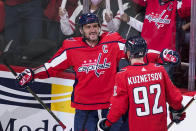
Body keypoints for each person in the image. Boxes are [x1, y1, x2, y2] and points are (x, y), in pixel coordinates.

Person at [16, 13, 180, 131]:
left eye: (95, 26)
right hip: (85, 108)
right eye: (88, 27)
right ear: (81, 30)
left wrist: (161, 56)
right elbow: (51, 66)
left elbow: (136, 51)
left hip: (111, 106)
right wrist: (32, 74)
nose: (93, 30)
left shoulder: (112, 41)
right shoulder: (71, 47)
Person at [97, 36, 186, 131]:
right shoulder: (159, 70)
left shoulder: (123, 74)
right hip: (159, 127)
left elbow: (118, 107)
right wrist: (177, 110)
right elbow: (174, 97)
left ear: (128, 53)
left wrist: (107, 123)